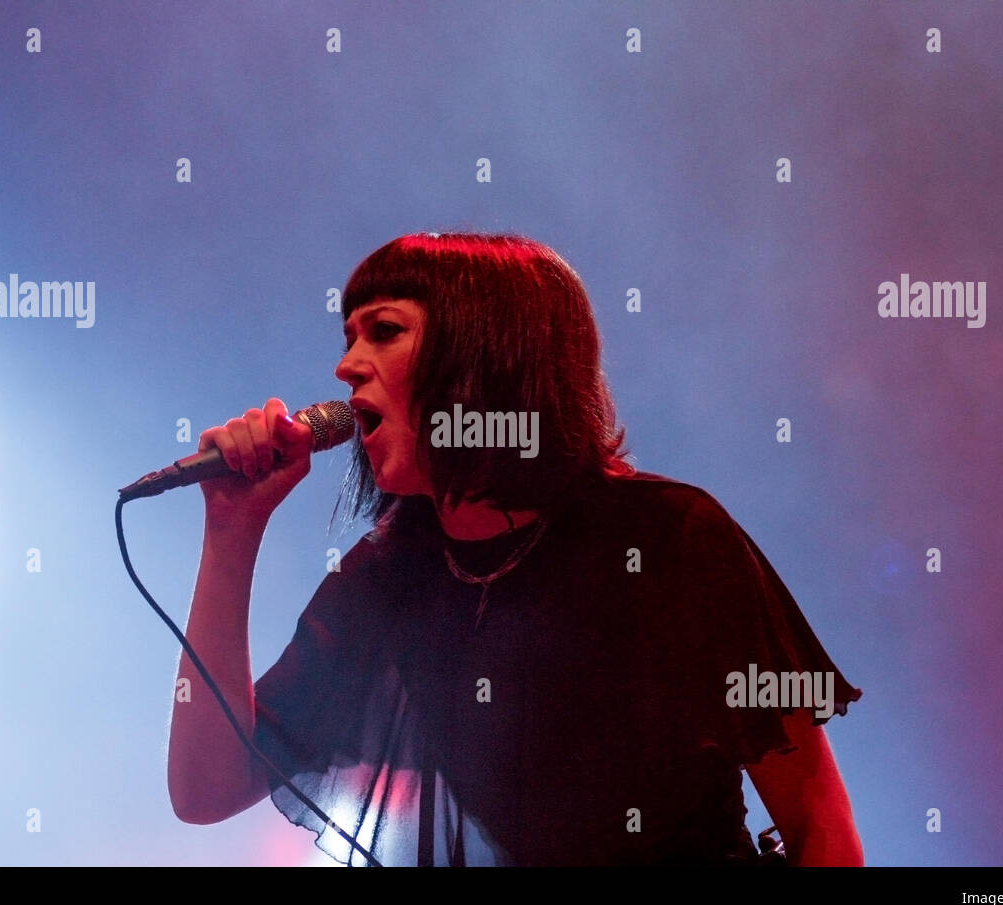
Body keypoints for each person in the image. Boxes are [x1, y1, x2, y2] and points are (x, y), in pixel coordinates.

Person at [166, 232, 864, 866]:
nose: (346, 367)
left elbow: (820, 830)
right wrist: (232, 534)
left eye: (383, 331)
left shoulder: (670, 540)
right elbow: (207, 789)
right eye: (349, 336)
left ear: (484, 353)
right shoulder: (391, 578)